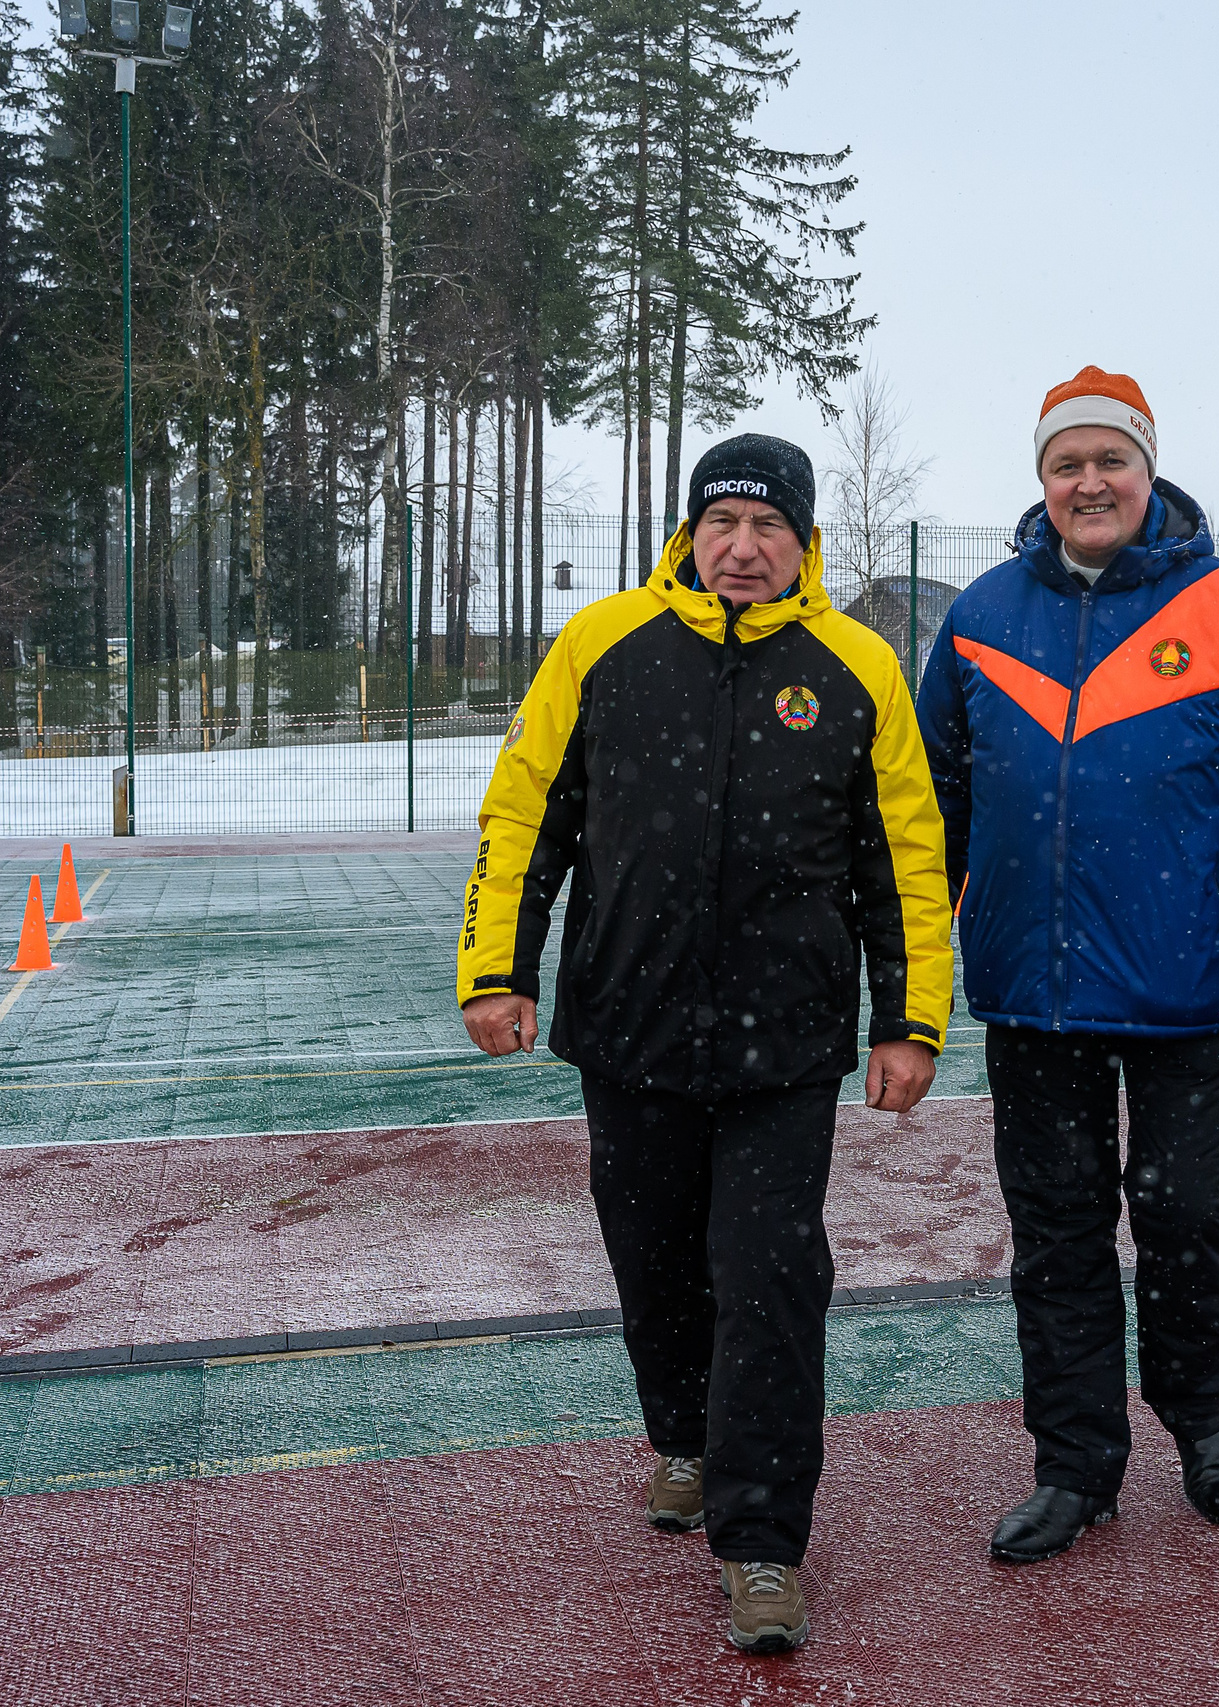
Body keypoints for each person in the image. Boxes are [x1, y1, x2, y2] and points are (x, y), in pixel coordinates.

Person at [458, 433, 954, 1652]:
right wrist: (495, 967)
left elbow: (905, 858)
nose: (742, 547)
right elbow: (526, 808)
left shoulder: (858, 667)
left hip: (785, 1050)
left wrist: (909, 1019)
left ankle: (763, 1543)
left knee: (772, 1278)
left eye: (767, 526)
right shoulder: (602, 646)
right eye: (721, 523)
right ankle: (683, 1437)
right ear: (688, 535)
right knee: (656, 1265)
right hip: (626, 1030)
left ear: (803, 542)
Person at [918, 366, 1219, 1564]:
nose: (1089, 481)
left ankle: (1200, 1430)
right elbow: (927, 814)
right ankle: (1074, 1467)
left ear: (1146, 470)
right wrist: (907, 977)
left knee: (1188, 1224)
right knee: (1055, 1237)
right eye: (1067, 463)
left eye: (1109, 458)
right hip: (1032, 1000)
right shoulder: (979, 618)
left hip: (1187, 996)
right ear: (1042, 481)